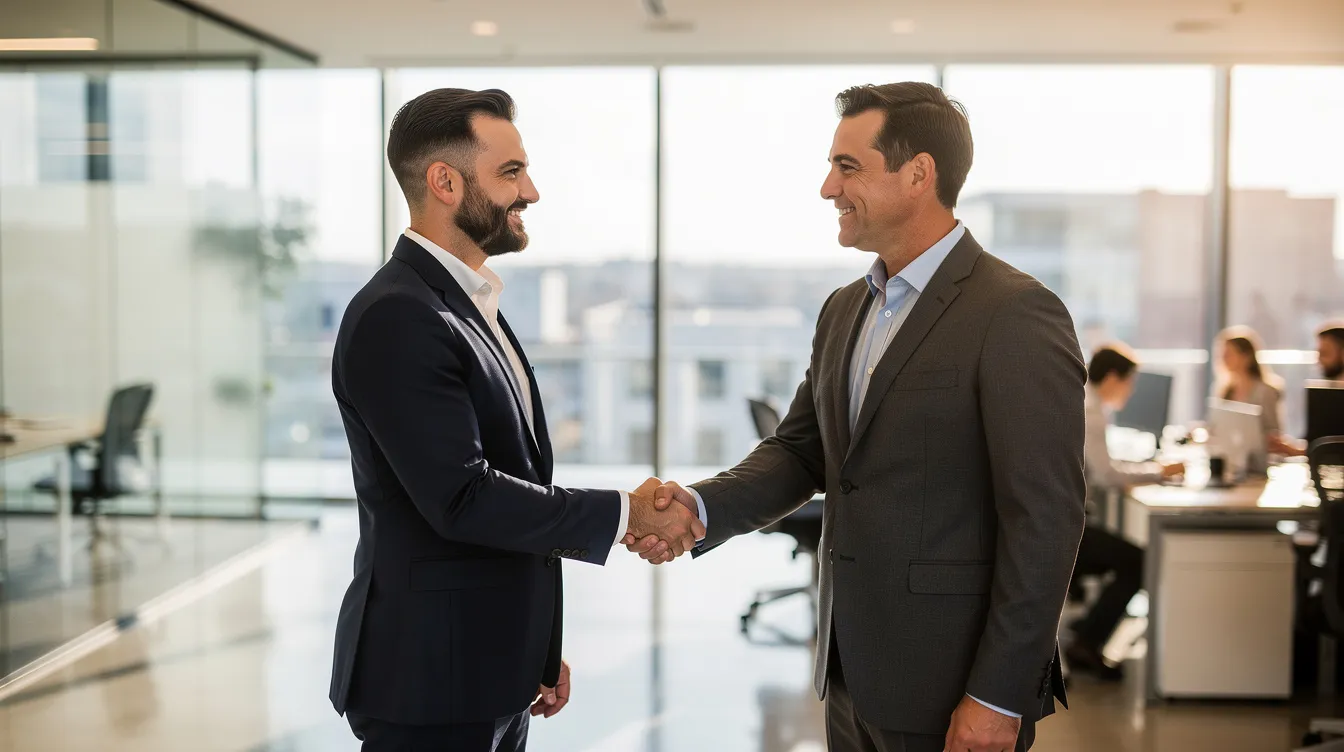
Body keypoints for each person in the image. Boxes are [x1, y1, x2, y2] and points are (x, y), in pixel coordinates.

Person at [627, 82, 1084, 752]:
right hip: (850, 669)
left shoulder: (1014, 312)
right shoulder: (847, 308)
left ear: (918, 174)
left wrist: (998, 695)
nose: (826, 189)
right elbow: (800, 452)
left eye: (848, 168)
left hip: (954, 682)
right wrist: (697, 506)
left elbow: (1046, 518)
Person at [328, 88, 701, 751]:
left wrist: (532, 648)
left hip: (487, 669)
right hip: (429, 683)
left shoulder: (468, 303)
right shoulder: (399, 315)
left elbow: (510, 483)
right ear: (444, 182)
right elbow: (464, 498)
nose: (530, 191)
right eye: (510, 173)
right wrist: (628, 514)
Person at [1066, 344, 1182, 679]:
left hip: (1067, 522)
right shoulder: (1091, 410)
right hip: (1071, 531)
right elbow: (1108, 475)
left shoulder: (1085, 401)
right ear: (1114, 377)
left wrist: (1150, 469)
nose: (1131, 392)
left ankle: (1087, 628)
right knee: (1140, 560)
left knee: (1129, 554)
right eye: (1129, 382)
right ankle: (1088, 642)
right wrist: (1160, 472)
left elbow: (1104, 467)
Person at [1268, 322, 1344, 456]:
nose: (1319, 360)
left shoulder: (1332, 397)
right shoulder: (1326, 395)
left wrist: (1293, 450)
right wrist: (1289, 447)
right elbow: (1319, 442)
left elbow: (1334, 451)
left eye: (1324, 353)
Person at [1213, 326, 1284, 442]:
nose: (1223, 359)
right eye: (1222, 355)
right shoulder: (1225, 389)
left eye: (1228, 354)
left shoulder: (1265, 391)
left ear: (1246, 357)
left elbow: (1274, 433)